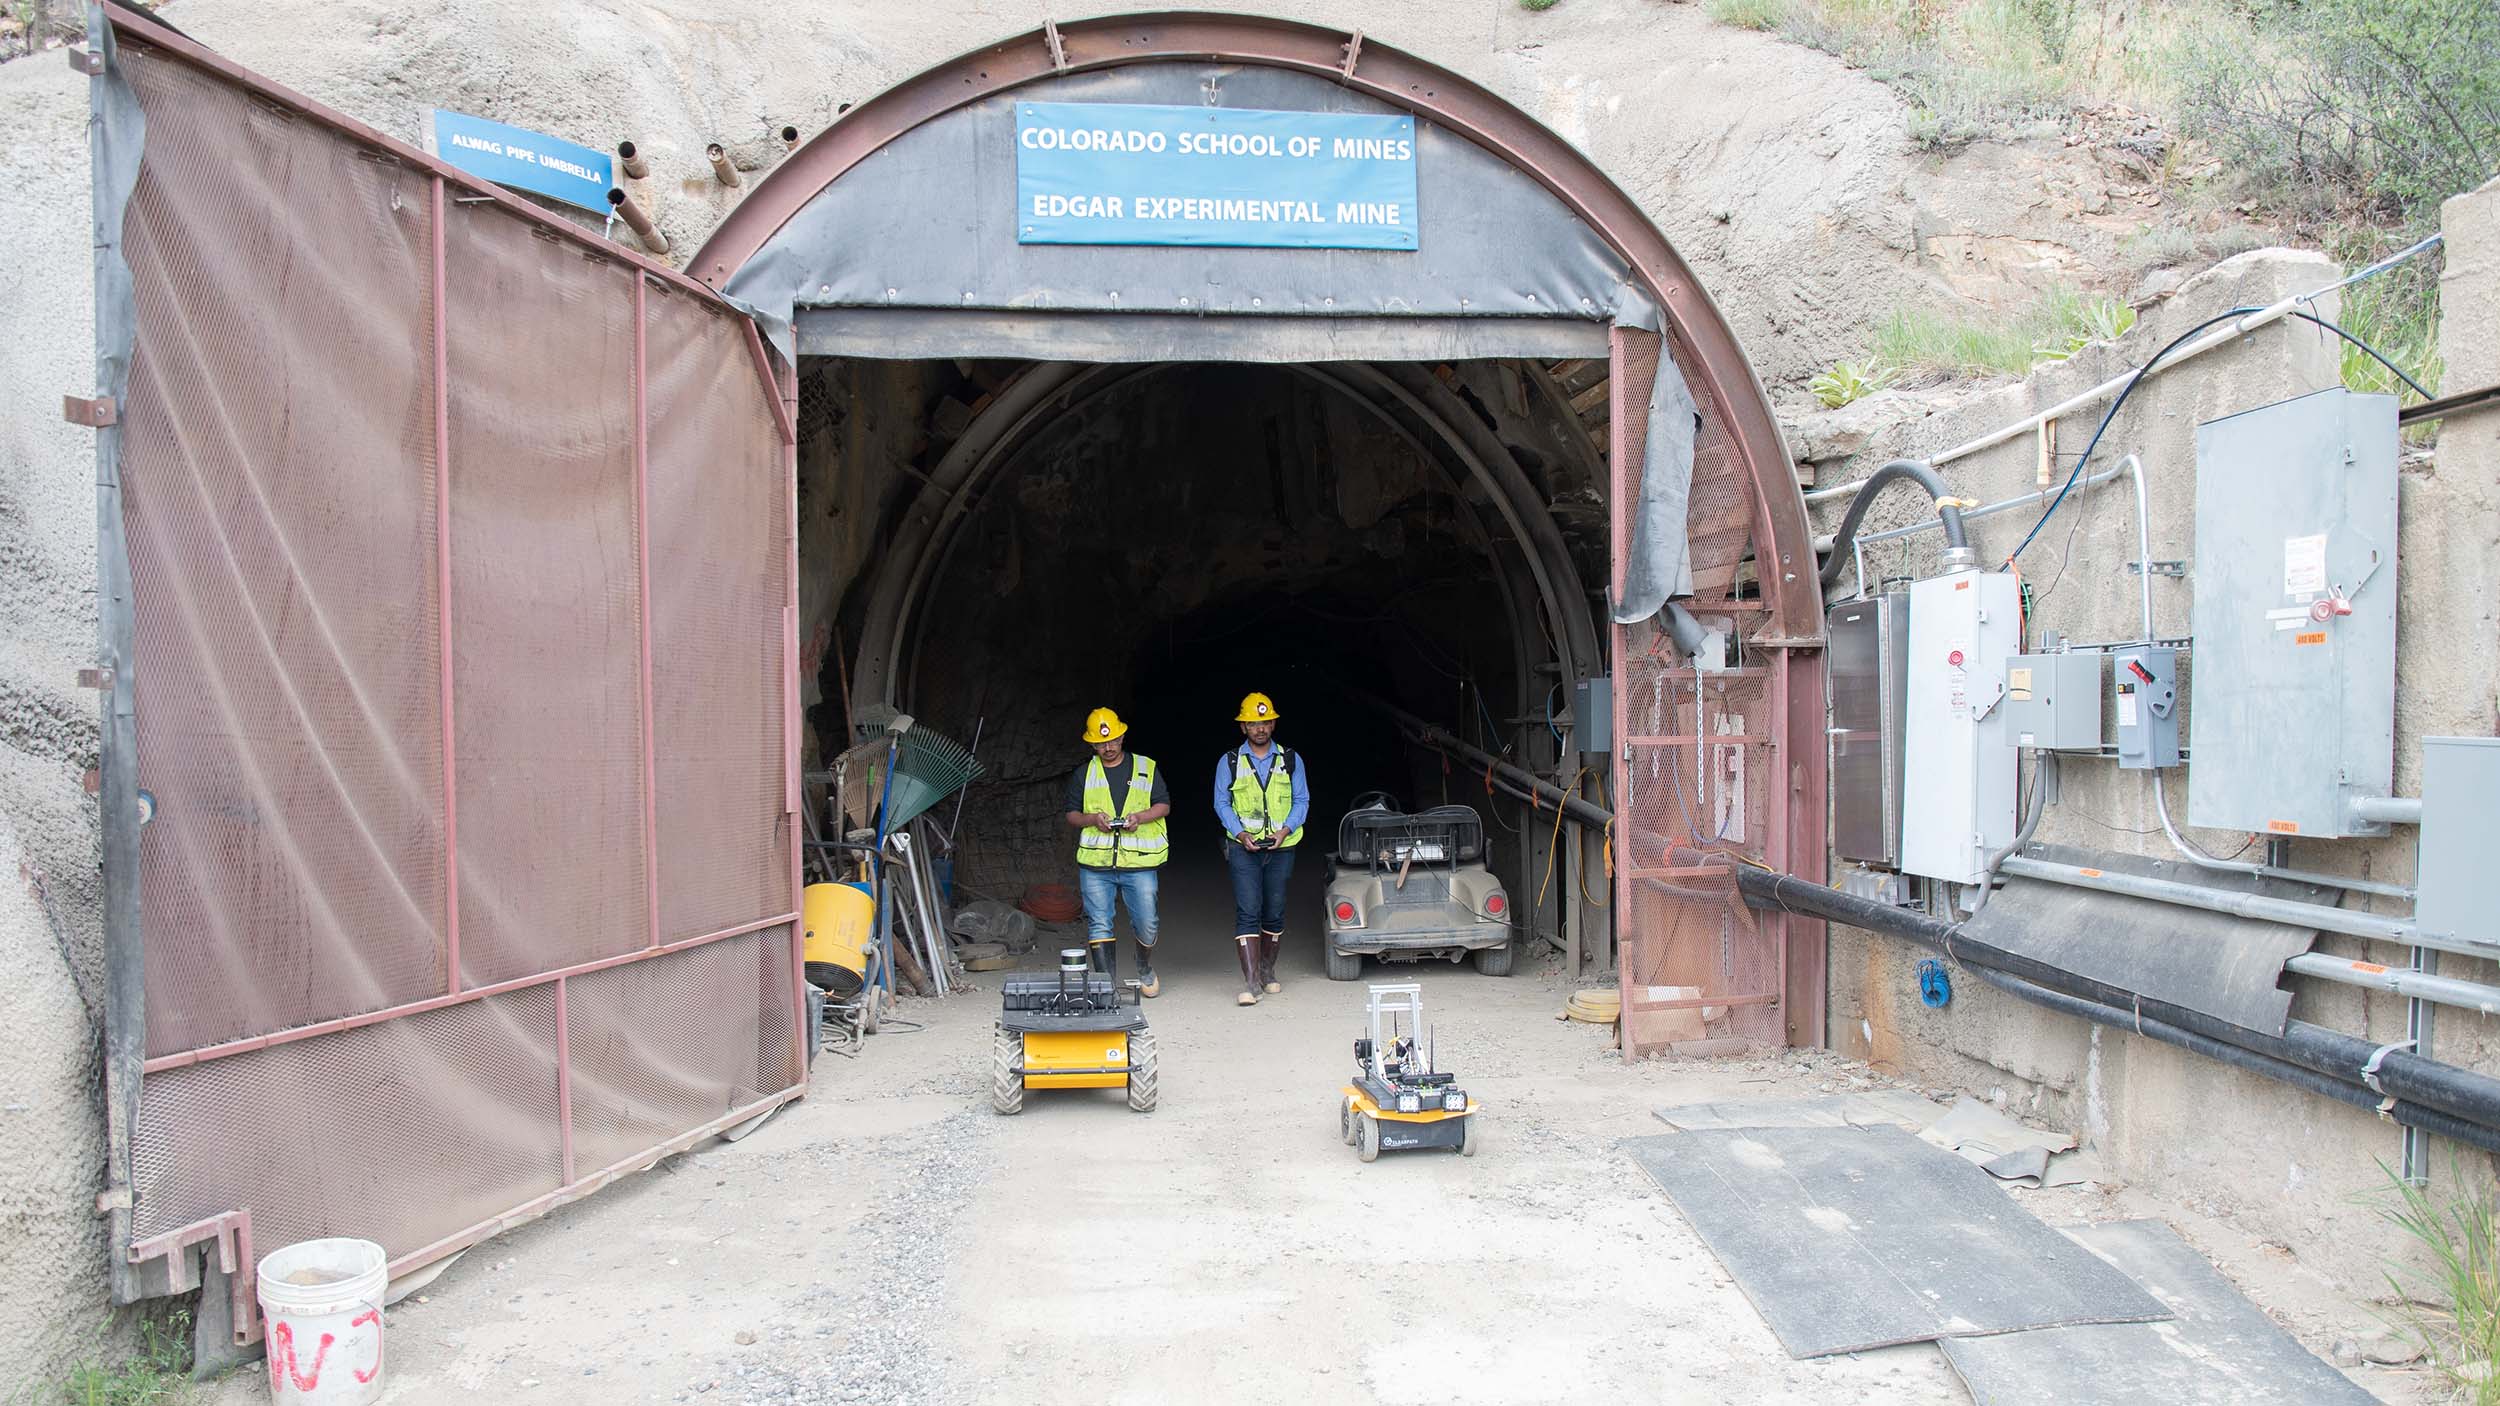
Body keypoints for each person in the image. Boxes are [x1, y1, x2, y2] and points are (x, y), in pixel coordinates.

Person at [1064, 707, 1170, 996]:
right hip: (1096, 864)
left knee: (1147, 921)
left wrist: (1141, 817)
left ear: (1122, 736)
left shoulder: (1146, 767)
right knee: (1099, 922)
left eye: (1112, 741)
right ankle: (1105, 985)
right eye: (1100, 743)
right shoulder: (1084, 774)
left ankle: (1144, 967)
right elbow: (1072, 815)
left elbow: (1164, 805)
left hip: (1139, 863)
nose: (1108, 747)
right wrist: (1092, 819)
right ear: (1092, 744)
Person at [1213, 691, 1308, 1007]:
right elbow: (1222, 803)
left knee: (1275, 909)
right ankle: (1251, 981)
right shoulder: (1229, 761)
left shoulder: (1291, 759)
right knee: (1248, 909)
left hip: (1282, 846)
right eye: (1253, 723)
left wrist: (1285, 830)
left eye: (1265, 722)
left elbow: (1302, 800)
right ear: (1243, 727)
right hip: (1244, 846)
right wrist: (1239, 834)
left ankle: (1268, 970)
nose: (1260, 728)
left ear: (1273, 723)